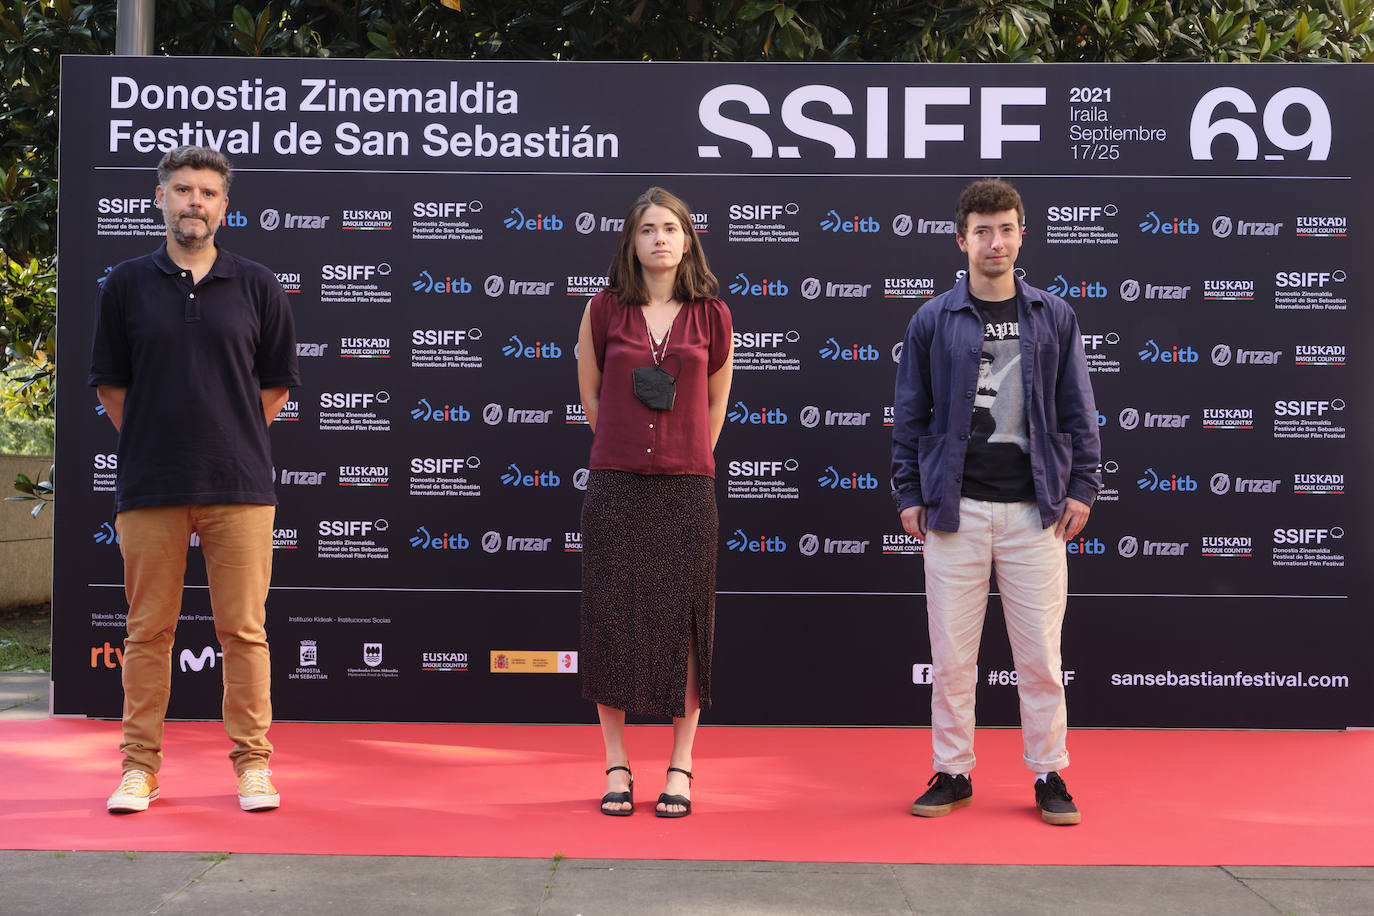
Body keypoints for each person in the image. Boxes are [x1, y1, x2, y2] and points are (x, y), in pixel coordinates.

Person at [89, 146, 299, 814]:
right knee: (147, 631)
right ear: (160, 199)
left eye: (208, 193)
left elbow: (274, 387)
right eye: (183, 190)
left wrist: (224, 436)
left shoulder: (258, 284)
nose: (195, 203)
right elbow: (111, 387)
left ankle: (253, 767)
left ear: (224, 207)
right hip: (150, 486)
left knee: (243, 631)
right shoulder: (125, 283)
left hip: (240, 486)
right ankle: (138, 769)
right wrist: (161, 440)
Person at [890, 178, 1101, 826]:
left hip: (1034, 512)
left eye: (1006, 228)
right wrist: (908, 491)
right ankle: (952, 772)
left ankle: (1049, 774)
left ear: (1021, 235)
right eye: (982, 230)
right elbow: (910, 413)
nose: (995, 242)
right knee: (952, 658)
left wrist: (1083, 486)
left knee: (1039, 657)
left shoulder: (1053, 315)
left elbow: (1077, 406)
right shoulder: (932, 320)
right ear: (961, 240)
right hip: (956, 511)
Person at [576, 187, 733, 818]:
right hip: (616, 486)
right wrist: (624, 446)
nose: (660, 239)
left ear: (688, 239)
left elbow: (717, 400)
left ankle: (680, 764)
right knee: (611, 618)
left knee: (687, 625)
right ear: (631, 242)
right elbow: (590, 393)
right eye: (648, 229)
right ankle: (616, 763)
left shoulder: (713, 315)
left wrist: (686, 451)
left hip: (688, 487)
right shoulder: (603, 310)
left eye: (671, 228)